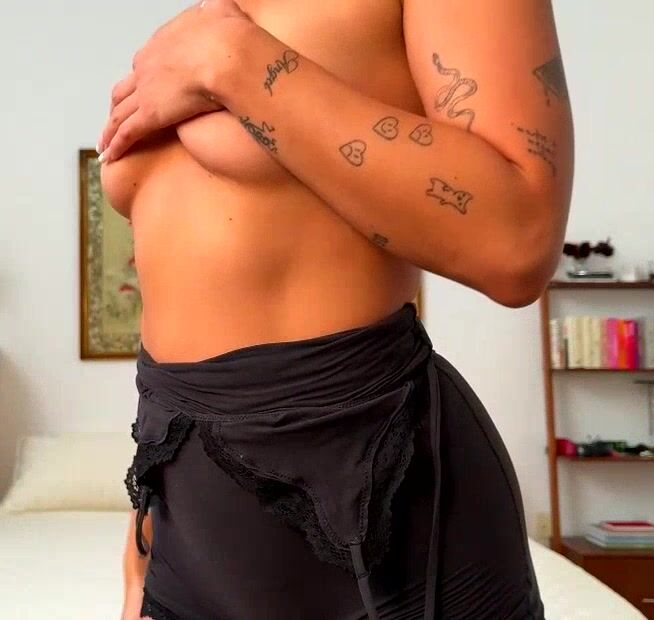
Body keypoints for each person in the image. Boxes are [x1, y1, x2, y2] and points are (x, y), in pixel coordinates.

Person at [98, 0, 573, 618]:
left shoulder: (216, 39)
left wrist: (232, 60)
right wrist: (144, 541)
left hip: (380, 523)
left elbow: (520, 240)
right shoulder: (195, 24)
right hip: (183, 525)